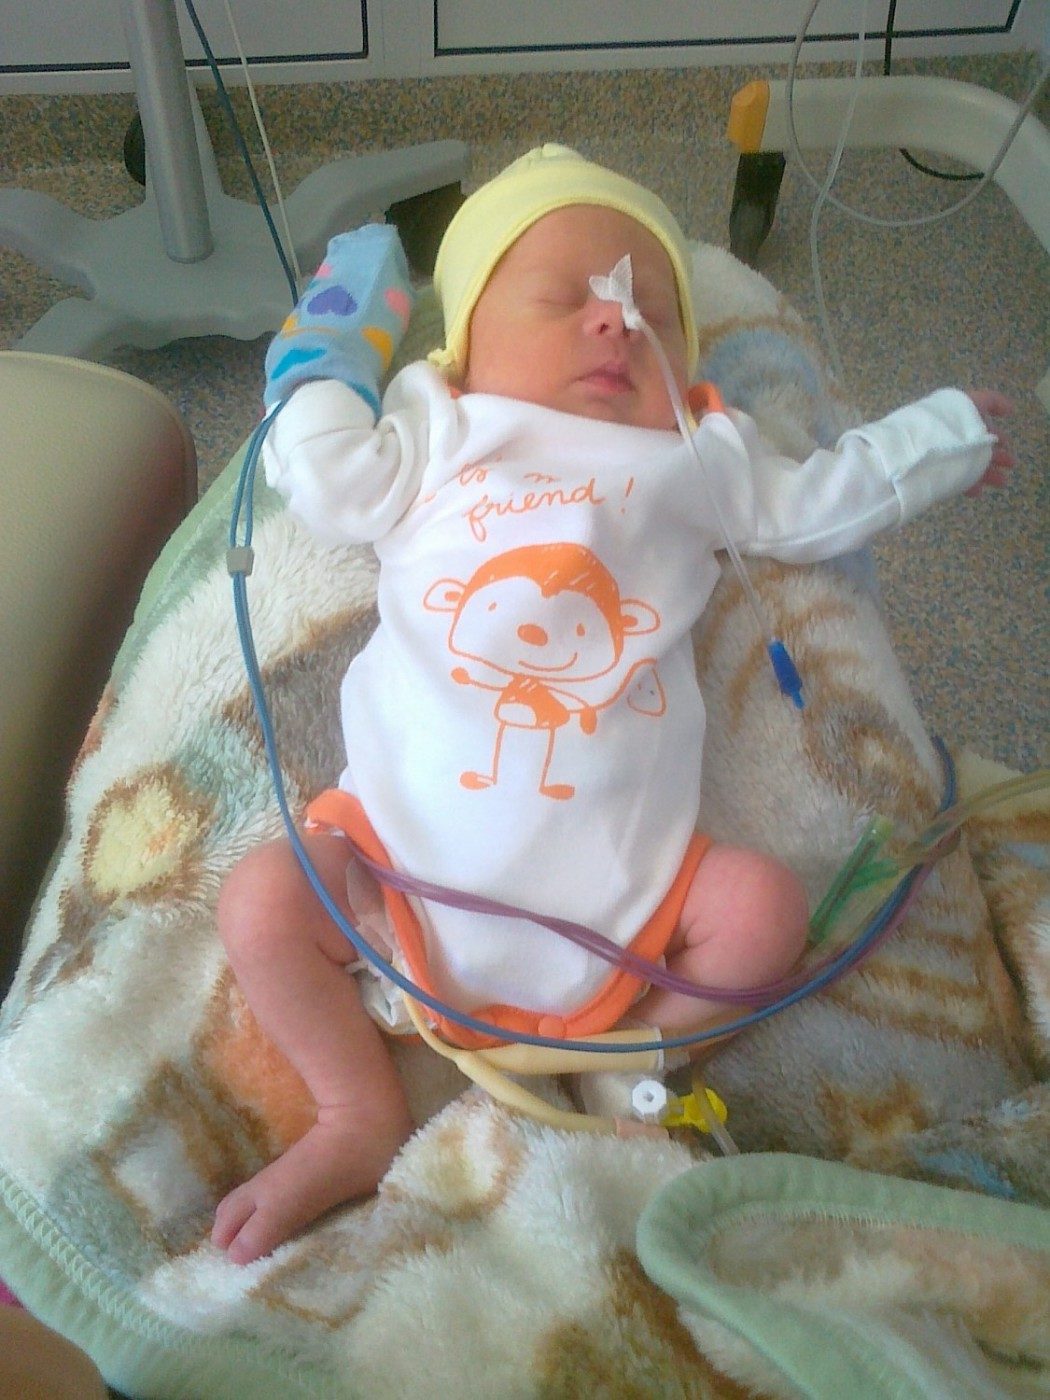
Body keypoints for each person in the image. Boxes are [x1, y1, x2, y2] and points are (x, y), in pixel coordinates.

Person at [212, 145, 1014, 1265]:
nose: (615, 319)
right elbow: (324, 476)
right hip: (392, 869)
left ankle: (637, 1057)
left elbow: (820, 502)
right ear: (463, 348)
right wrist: (333, 349)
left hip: (633, 896)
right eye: (565, 298)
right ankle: (355, 1111)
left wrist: (940, 436)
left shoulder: (691, 452)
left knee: (761, 913)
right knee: (261, 900)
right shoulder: (438, 427)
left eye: (652, 310)